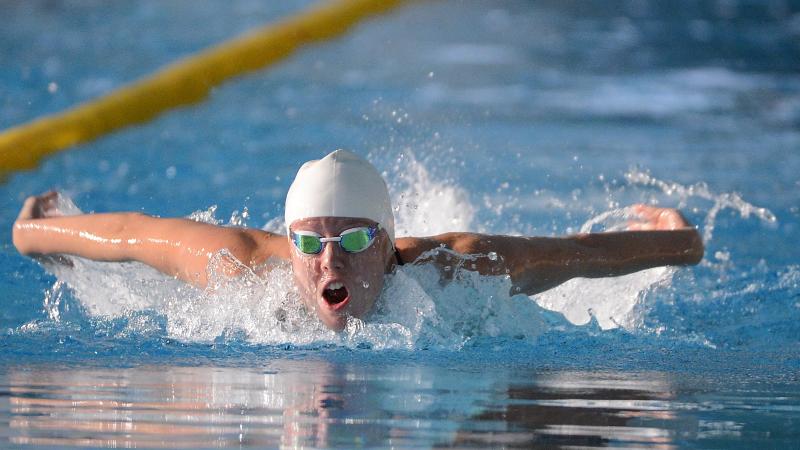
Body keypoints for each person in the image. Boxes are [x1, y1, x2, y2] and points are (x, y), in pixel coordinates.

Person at [13, 149, 704, 330]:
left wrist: (679, 244)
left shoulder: (456, 270)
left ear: (389, 244)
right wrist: (32, 233)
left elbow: (574, 257)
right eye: (309, 244)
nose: (331, 259)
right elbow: (132, 236)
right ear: (288, 247)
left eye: (352, 240)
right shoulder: (241, 272)